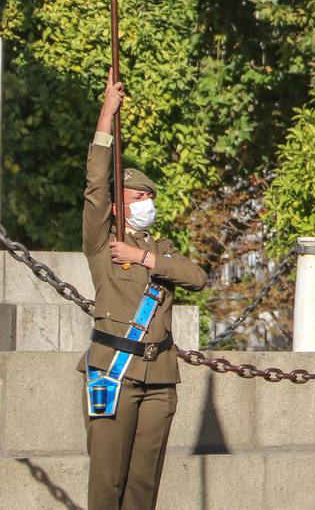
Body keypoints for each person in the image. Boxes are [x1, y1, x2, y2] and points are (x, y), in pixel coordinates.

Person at [80, 72, 207, 510]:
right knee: (107, 483)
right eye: (136, 197)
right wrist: (106, 117)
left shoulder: (160, 250)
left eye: (149, 196)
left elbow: (197, 277)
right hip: (114, 372)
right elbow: (96, 187)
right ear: (119, 206)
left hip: (160, 377)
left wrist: (147, 260)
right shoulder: (103, 242)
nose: (146, 203)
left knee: (142, 489)